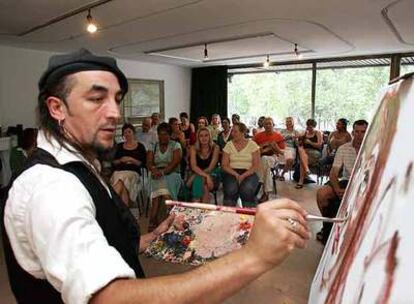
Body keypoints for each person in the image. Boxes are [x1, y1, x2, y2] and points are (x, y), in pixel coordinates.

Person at [3, 48, 310, 304]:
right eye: (97, 99)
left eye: (117, 99)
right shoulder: (51, 186)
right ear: (57, 108)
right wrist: (252, 258)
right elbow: (109, 297)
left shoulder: (79, 163)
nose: (114, 113)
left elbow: (95, 240)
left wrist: (149, 238)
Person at [316, 119, 368, 244]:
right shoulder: (344, 148)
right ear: (353, 132)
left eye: (363, 132)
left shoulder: (373, 148)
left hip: (364, 183)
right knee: (322, 194)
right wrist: (337, 189)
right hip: (347, 180)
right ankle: (328, 226)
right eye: (357, 132)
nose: (360, 135)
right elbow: (333, 172)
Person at [147, 122, 183, 230]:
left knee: (161, 181)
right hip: (156, 173)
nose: (162, 137)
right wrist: (154, 170)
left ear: (170, 135)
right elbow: (149, 162)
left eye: (165, 134)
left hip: (173, 174)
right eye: (160, 134)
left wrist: (161, 173)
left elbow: (174, 163)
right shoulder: (153, 146)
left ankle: (153, 218)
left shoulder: (176, 145)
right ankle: (170, 214)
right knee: (158, 181)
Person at [222, 122, 261, 207]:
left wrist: (243, 176)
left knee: (247, 189)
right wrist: (236, 174)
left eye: (235, 131)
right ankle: (228, 214)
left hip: (249, 172)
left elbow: (256, 166)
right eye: (232, 131)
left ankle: (249, 214)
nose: (232, 134)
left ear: (243, 132)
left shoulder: (252, 145)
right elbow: (224, 165)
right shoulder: (229, 145)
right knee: (230, 189)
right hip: (231, 171)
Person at [111, 123, 146, 206]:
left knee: (121, 179)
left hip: (133, 173)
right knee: (122, 184)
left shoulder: (140, 146)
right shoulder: (119, 146)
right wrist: (121, 160)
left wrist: (131, 159)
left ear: (133, 133)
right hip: (118, 171)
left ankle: (111, 203)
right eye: (125, 133)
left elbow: (143, 163)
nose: (127, 134)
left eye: (129, 132)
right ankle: (125, 215)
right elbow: (113, 162)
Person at [253, 117, 285, 202]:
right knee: (265, 164)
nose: (268, 125)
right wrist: (261, 147)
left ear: (273, 125)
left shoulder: (278, 136)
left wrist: (276, 148)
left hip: (273, 157)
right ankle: (266, 193)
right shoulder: (258, 136)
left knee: (264, 159)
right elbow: (251, 148)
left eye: (269, 124)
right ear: (263, 125)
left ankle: (259, 184)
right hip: (260, 157)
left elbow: (282, 153)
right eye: (266, 124)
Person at [187, 127, 220, 203]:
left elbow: (210, 167)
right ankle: (204, 210)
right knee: (204, 186)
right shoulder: (193, 148)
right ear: (198, 137)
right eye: (201, 136)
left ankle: (196, 203)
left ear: (210, 136)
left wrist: (202, 175)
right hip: (199, 174)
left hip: (212, 174)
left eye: (206, 135)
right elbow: (194, 167)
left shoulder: (216, 147)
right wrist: (206, 176)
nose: (204, 138)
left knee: (199, 181)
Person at [296, 118, 323, 189]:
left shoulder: (318, 133)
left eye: (310, 127)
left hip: (315, 152)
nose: (309, 128)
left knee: (302, 160)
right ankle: (306, 169)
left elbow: (320, 145)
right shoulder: (305, 133)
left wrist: (310, 142)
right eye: (308, 126)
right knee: (300, 149)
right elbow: (300, 144)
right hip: (305, 153)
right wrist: (299, 141)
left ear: (314, 126)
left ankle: (301, 181)